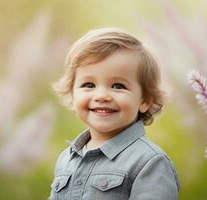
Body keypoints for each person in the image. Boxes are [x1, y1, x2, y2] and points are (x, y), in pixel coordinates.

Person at [50, 27, 179, 200]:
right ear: (72, 94)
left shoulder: (149, 163)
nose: (102, 96)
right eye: (89, 85)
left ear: (144, 100)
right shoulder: (67, 159)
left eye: (118, 86)